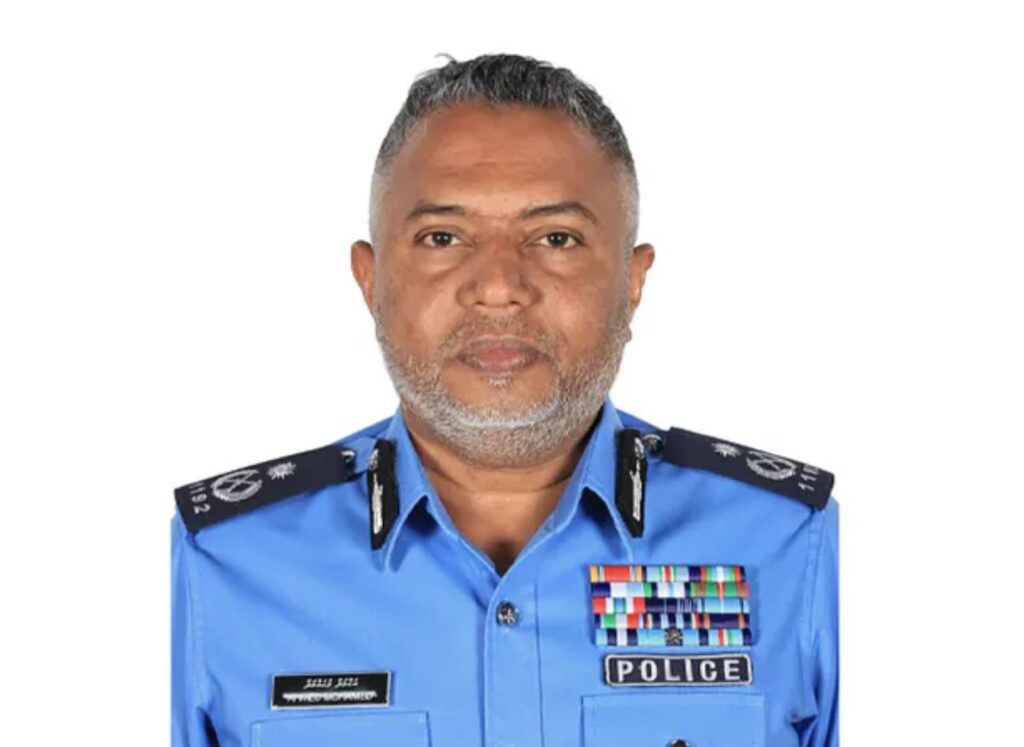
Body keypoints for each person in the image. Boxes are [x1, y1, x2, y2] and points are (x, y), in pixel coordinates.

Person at [171, 52, 838, 747]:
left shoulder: (798, 549)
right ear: (370, 281)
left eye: (555, 238)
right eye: (442, 237)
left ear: (632, 281)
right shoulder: (213, 566)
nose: (497, 287)